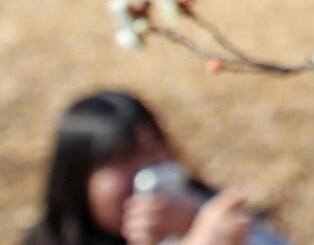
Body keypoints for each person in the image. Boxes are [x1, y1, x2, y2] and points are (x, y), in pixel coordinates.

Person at [26, 90, 276, 245]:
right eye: (124, 157)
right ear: (77, 180)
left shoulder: (205, 214)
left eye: (155, 149)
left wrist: (192, 224)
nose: (147, 172)